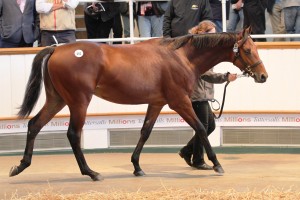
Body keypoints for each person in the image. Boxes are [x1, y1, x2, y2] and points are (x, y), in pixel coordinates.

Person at [178, 20, 237, 169]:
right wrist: (225, 77)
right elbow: (205, 74)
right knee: (203, 127)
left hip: (203, 94)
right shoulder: (198, 50)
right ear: (203, 33)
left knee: (209, 126)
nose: (214, 36)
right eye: (212, 33)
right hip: (197, 94)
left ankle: (187, 150)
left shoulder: (205, 49)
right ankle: (198, 160)